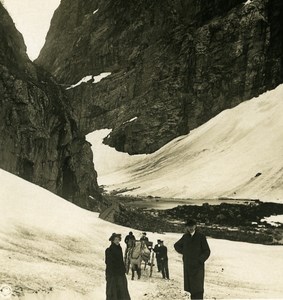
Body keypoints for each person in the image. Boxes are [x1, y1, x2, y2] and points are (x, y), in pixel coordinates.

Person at [174, 219, 210, 300]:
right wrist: (185, 253)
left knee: (198, 289)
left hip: (198, 267)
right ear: (187, 227)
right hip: (188, 266)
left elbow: (207, 251)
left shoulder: (201, 236)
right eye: (189, 226)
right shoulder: (185, 236)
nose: (191, 228)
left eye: (192, 226)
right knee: (191, 289)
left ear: (195, 226)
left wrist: (200, 260)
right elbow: (176, 245)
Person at [105, 233, 131, 300]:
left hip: (120, 273)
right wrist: (111, 273)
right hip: (113, 274)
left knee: (122, 290)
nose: (117, 241)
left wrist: (123, 269)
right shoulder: (109, 250)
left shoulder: (119, 248)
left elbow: (121, 261)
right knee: (113, 290)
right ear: (112, 241)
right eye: (115, 239)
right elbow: (108, 262)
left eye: (118, 239)